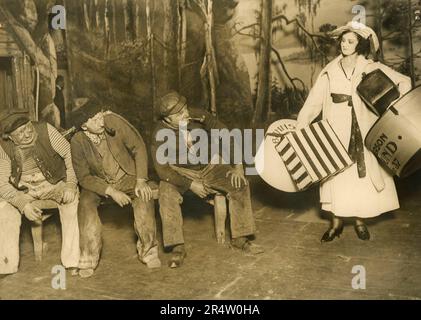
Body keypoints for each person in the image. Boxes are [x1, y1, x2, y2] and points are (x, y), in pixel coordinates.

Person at [296, 21, 412, 242]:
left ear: (360, 45)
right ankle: (336, 223)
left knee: (361, 177)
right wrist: (300, 126)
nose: (345, 45)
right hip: (335, 130)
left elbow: (404, 82)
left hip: (363, 129)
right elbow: (313, 103)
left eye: (351, 41)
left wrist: (392, 106)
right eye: (343, 40)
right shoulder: (329, 71)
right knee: (335, 175)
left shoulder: (369, 67)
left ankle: (360, 221)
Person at [151, 91, 263, 268]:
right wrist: (190, 184)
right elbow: (162, 169)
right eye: (179, 114)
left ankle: (240, 239)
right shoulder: (159, 134)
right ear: (167, 120)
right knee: (166, 193)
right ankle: (177, 246)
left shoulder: (198, 116)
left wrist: (238, 166)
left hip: (209, 166)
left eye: (185, 109)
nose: (186, 114)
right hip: (182, 173)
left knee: (239, 183)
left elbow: (225, 133)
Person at [69, 100, 161, 278]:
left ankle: (148, 250)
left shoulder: (113, 122)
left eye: (101, 116)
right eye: (95, 121)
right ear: (84, 126)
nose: (101, 122)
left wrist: (141, 180)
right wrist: (110, 191)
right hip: (99, 182)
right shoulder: (77, 142)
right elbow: (84, 177)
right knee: (86, 203)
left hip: (127, 176)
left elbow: (139, 147)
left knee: (144, 196)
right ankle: (88, 258)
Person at [0, 113, 80, 276]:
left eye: (28, 128)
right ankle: (7, 265)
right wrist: (23, 204)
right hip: (24, 188)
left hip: (54, 183)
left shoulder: (46, 130)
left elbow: (70, 155)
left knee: (70, 203)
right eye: (20, 133)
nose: (27, 134)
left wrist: (71, 184)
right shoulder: (3, 146)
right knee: (4, 209)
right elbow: (2, 183)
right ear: (10, 137)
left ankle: (72, 261)